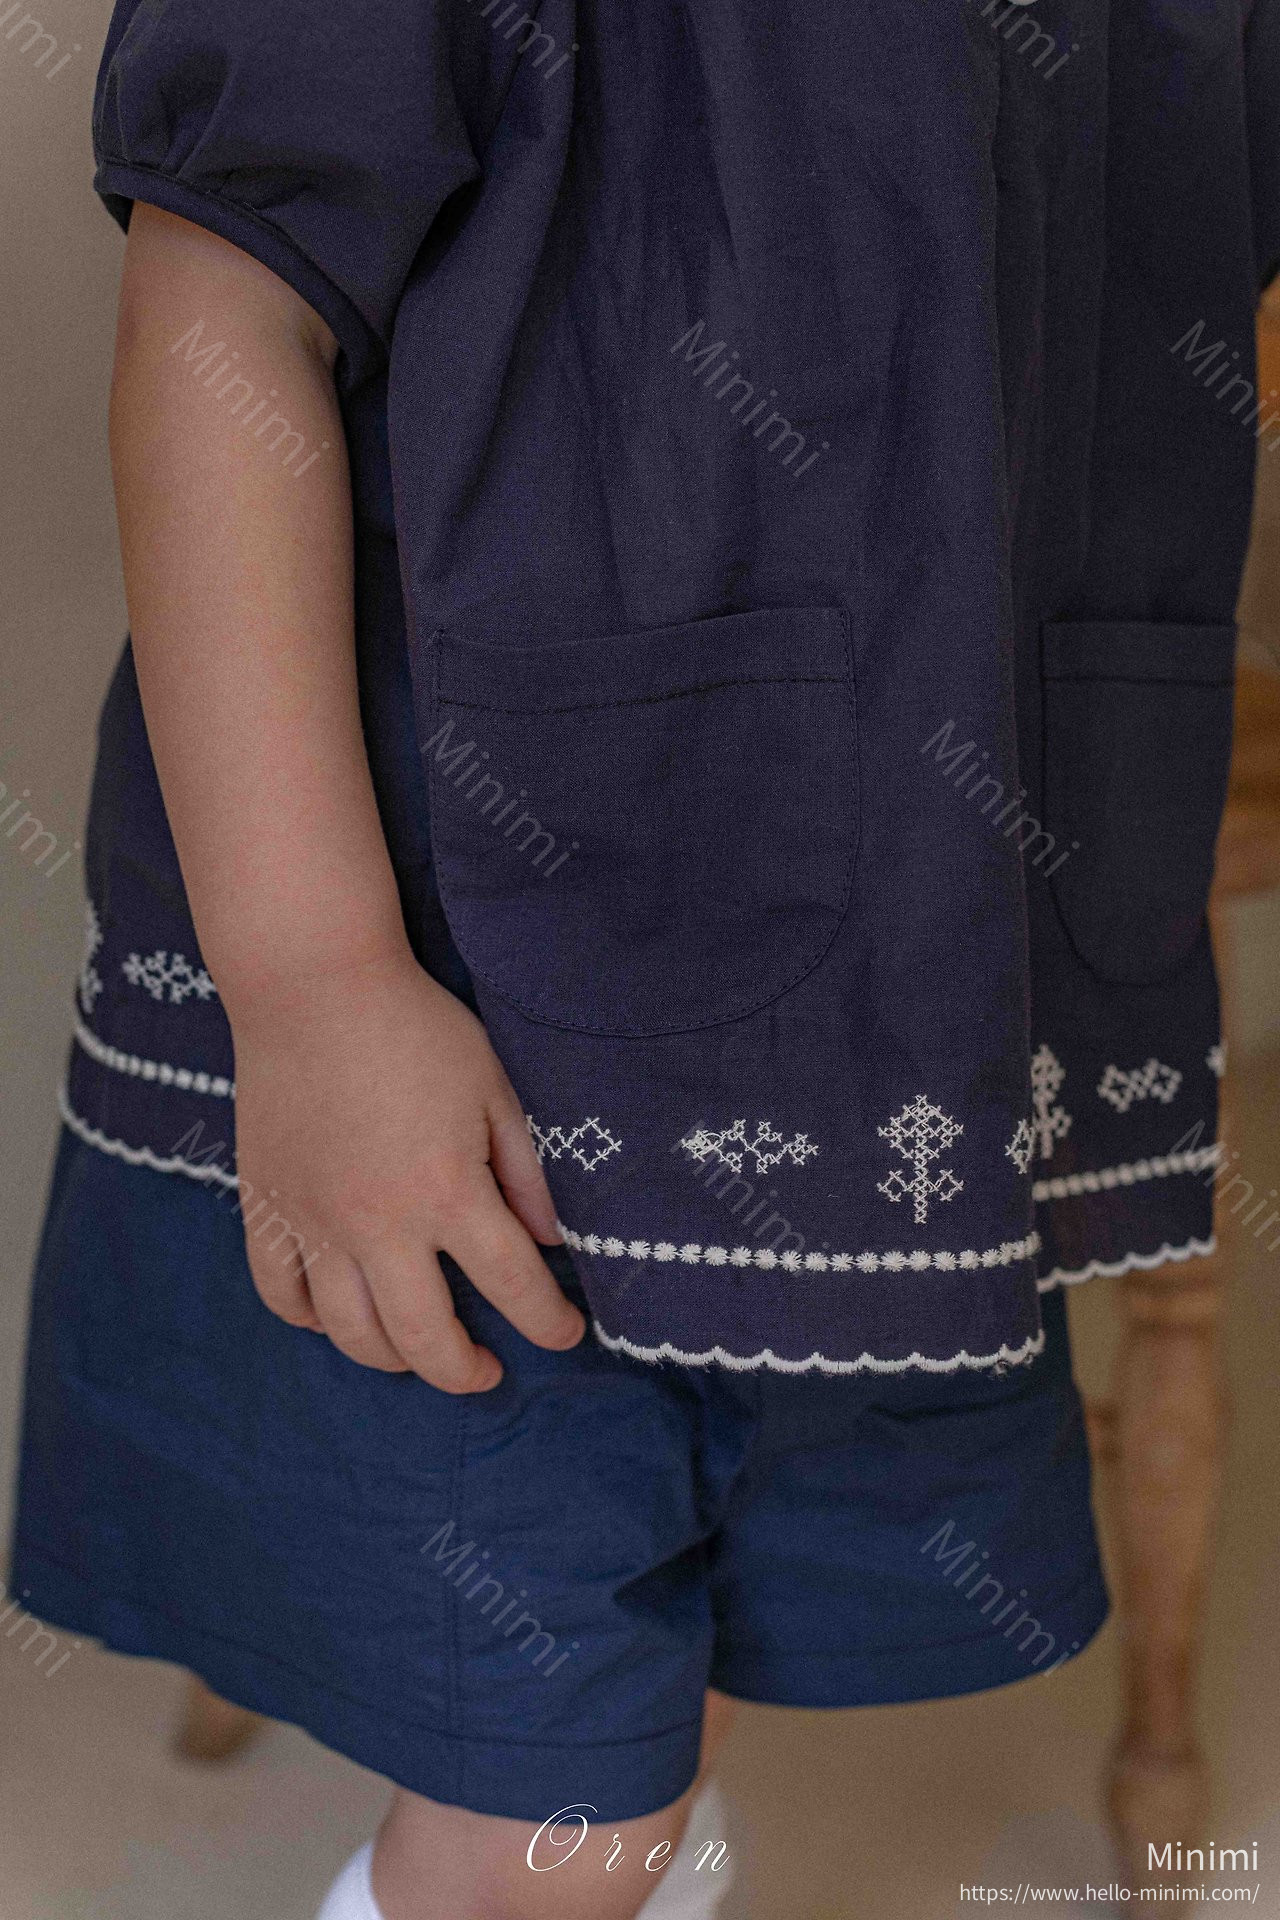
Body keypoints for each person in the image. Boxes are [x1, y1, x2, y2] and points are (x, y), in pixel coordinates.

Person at [11, 2, 1278, 1915]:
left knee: (681, 1704)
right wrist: (314, 980)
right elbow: (224, 306)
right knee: (569, 1807)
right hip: (462, 1010)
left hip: (912, 1009)